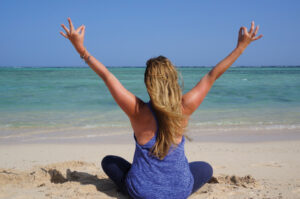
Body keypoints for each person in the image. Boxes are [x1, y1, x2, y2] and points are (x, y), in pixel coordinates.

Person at [60, 18, 263, 198]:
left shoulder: (137, 110)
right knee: (206, 168)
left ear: (148, 83)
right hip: (179, 192)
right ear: (174, 80)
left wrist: (81, 50)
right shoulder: (185, 107)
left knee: (109, 162)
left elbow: (107, 76)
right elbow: (212, 76)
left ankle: (135, 183)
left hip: (141, 193)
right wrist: (241, 47)